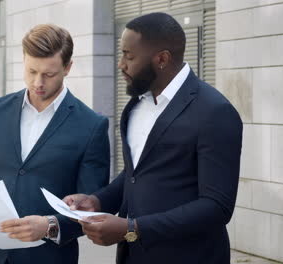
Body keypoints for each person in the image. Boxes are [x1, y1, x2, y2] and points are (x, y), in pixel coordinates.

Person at [64, 12, 243, 264]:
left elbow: (216, 207)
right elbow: (135, 174)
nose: (121, 64)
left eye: (129, 55)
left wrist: (132, 228)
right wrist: (97, 200)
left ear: (161, 59)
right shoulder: (136, 105)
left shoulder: (215, 112)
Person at [0, 24, 110, 264]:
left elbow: (90, 208)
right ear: (23, 60)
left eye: (49, 74)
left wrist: (50, 226)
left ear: (68, 67)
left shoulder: (92, 126)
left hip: (49, 257)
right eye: (31, 71)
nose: (38, 82)